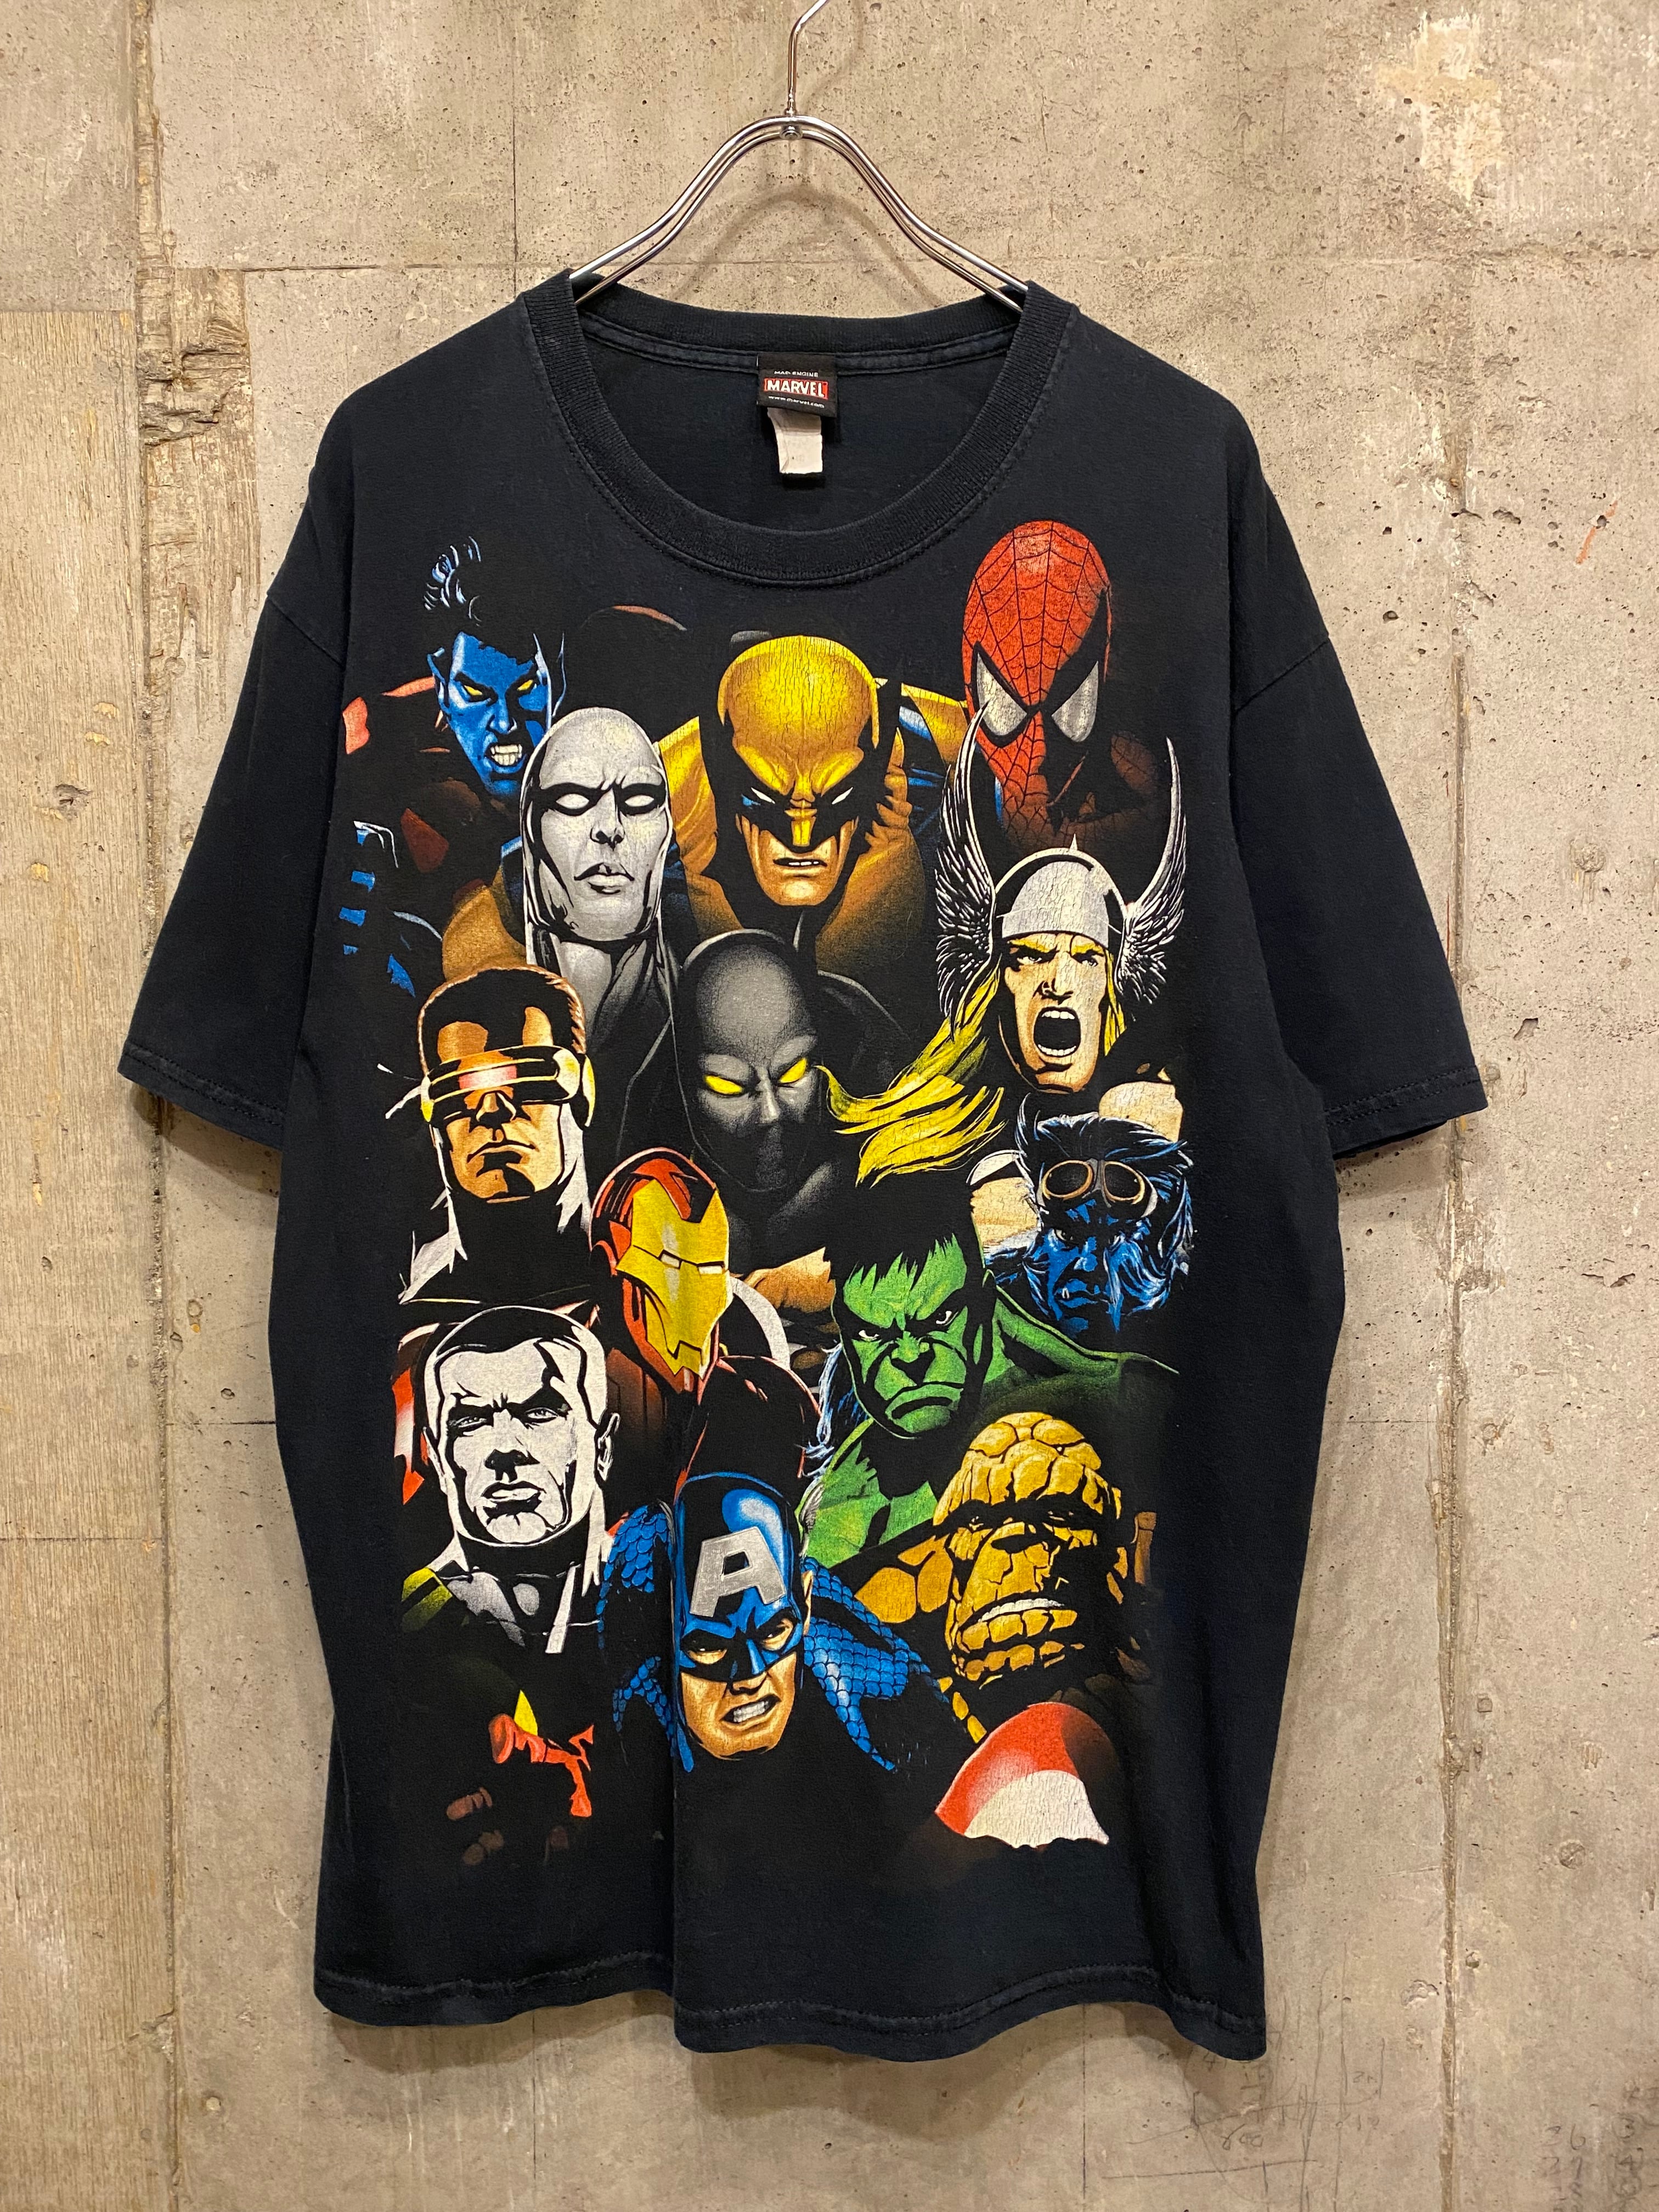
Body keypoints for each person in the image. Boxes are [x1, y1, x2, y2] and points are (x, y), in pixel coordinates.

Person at [831, 733, 1186, 1185]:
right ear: (998, 980)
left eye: (1086, 959)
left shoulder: (1159, 1112)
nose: (1059, 981)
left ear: (1110, 987)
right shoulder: (927, 1148)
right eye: (1031, 956)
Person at [807, 1175, 1170, 1572]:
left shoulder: (1070, 1401)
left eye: (940, 1318)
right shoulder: (850, 1480)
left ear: (986, 1307)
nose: (910, 1358)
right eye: (872, 1334)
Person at [396, 1306, 621, 1878]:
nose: (505, 1450)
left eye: (539, 1412)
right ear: (436, 1457)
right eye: (471, 1421)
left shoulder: (656, 1587)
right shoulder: (417, 1619)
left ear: (601, 1446)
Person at [658, 632, 964, 1025]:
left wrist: (891, 860)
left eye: (836, 792)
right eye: (766, 793)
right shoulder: (677, 777)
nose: (801, 838)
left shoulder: (915, 747)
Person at [619, 930, 904, 1286]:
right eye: (729, 1086)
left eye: (793, 1072)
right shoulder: (650, 1181)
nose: (771, 1113)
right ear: (682, 1088)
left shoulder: (885, 1151)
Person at [574, 1148, 795, 1517]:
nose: (695, 1294)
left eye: (710, 1269)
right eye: (671, 1263)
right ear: (607, 1270)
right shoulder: (560, 1389)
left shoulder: (760, 1399)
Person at [961, 519, 1170, 875]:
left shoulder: (1127, 761)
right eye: (1006, 708)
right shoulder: (951, 766)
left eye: (1072, 705)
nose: (1039, 747)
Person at [400, 963, 596, 1314]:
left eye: (529, 1075)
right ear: (434, 1122)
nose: (492, 1110)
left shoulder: (647, 1281)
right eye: (457, 1090)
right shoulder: (409, 1309)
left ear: (583, 1092)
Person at [989, 1098, 1194, 1346]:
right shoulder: (992, 1291)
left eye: (1114, 1238)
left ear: (1161, 1243)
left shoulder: (1190, 1309)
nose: (1087, 1266)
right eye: (1067, 1236)